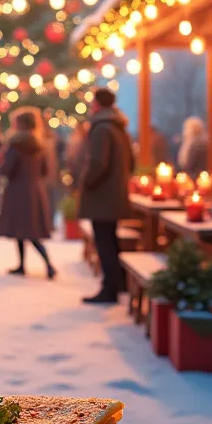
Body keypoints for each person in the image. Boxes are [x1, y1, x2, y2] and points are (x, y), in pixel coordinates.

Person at [78, 88, 134, 304]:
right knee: (111, 240)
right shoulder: (120, 128)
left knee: (104, 242)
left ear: (97, 104)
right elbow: (132, 162)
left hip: (101, 196)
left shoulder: (101, 128)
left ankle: (109, 289)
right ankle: (118, 284)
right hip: (115, 193)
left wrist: (86, 182)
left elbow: (97, 162)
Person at [0, 109, 56, 279]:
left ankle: (47, 265)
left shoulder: (15, 146)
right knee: (28, 230)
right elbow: (44, 170)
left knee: (22, 230)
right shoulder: (40, 145)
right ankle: (26, 265)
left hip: (17, 190)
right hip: (35, 191)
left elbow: (7, 169)